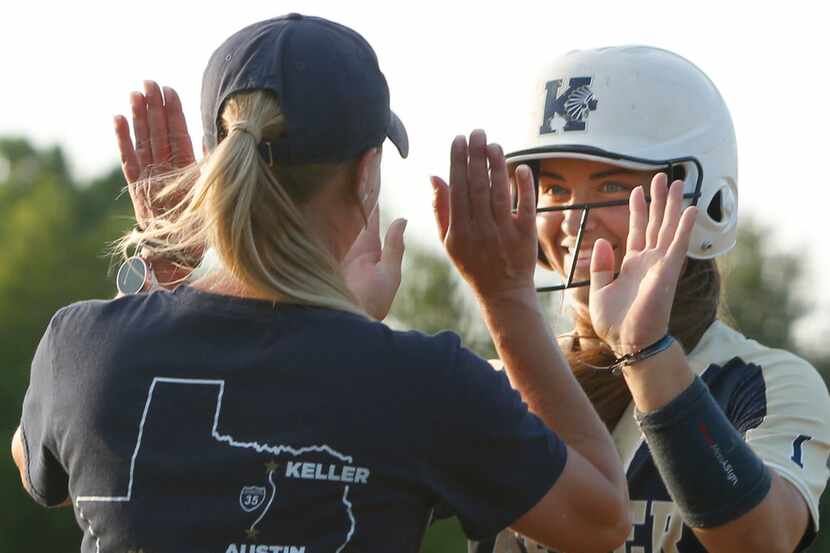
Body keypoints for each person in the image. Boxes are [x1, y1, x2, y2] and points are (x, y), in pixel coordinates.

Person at [10, 15, 650, 553]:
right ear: (366, 175)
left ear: (214, 166)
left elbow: (41, 466)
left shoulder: (80, 347)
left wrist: (167, 272)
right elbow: (600, 520)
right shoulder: (422, 384)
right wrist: (508, 302)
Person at [469, 46, 830, 553]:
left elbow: (760, 540)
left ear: (703, 202)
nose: (572, 218)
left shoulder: (763, 381)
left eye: (612, 184)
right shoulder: (496, 381)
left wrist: (644, 350)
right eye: (551, 189)